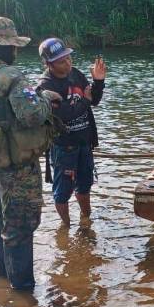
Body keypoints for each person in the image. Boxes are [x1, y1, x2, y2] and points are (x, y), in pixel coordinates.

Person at [0, 17, 52, 291]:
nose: (16, 51)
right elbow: (31, 115)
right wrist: (48, 100)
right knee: (20, 225)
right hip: (16, 165)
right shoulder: (11, 76)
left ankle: (4, 286)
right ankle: (24, 293)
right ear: (5, 48)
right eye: (14, 46)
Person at [36, 38, 106, 227]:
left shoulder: (76, 75)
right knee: (62, 191)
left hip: (84, 141)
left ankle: (86, 220)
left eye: (68, 58)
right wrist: (84, 100)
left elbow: (94, 100)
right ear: (48, 64)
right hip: (63, 146)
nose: (67, 64)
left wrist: (98, 82)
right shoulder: (46, 86)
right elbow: (64, 115)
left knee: (85, 184)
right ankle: (65, 227)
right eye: (61, 61)